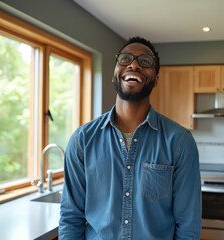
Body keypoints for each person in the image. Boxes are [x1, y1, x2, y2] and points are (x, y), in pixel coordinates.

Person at [59, 36, 201, 239]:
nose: (134, 64)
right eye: (125, 59)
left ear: (156, 78)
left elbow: (188, 226)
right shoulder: (82, 141)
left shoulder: (180, 142)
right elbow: (70, 218)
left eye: (145, 62)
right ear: (115, 72)